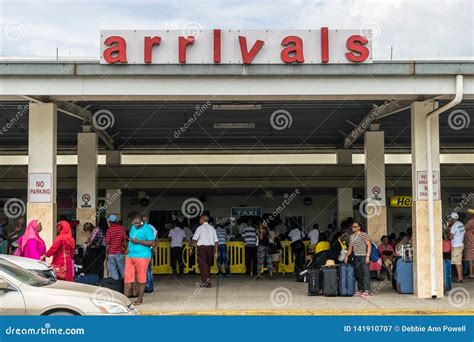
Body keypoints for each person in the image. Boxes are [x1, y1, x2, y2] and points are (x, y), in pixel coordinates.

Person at [124, 215, 156, 305]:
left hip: (142, 256)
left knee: (141, 278)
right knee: (127, 279)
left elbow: (152, 243)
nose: (136, 225)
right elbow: (131, 239)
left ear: (142, 222)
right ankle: (124, 300)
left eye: (138, 223)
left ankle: (140, 299)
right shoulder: (133, 227)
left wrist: (138, 241)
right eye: (134, 223)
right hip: (130, 255)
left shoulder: (148, 229)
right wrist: (126, 251)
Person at [190, 215, 218, 288]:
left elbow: (194, 239)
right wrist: (216, 252)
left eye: (200, 219)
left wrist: (191, 248)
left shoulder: (199, 228)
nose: (199, 220)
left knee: (203, 265)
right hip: (210, 248)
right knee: (208, 265)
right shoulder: (212, 228)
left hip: (202, 248)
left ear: (203, 219)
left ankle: (206, 283)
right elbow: (216, 242)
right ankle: (206, 281)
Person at [344, 222, 371, 297]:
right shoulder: (352, 236)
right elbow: (350, 248)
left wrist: (368, 256)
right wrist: (346, 256)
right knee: (358, 273)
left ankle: (366, 290)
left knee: (365, 273)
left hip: (363, 256)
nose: (353, 228)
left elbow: (369, 245)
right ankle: (360, 289)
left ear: (359, 227)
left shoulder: (364, 235)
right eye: (352, 227)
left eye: (355, 226)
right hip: (356, 256)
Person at [105, 214, 127, 280]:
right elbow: (125, 242)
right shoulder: (122, 229)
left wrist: (106, 252)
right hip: (120, 252)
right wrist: (125, 251)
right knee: (123, 270)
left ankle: (116, 285)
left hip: (111, 253)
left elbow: (108, 243)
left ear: (110, 222)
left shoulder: (109, 230)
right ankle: (124, 285)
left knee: (113, 270)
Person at [142, 215, 157, 293]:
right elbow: (156, 238)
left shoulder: (145, 228)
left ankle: (148, 286)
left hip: (146, 250)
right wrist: (155, 247)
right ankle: (150, 286)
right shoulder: (152, 227)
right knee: (149, 269)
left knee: (146, 269)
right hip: (150, 250)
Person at [449, 212, 465, 283]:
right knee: (459, 262)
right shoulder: (461, 224)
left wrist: (448, 232)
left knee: (457, 263)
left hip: (456, 246)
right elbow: (463, 233)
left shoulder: (454, 226)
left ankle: (460, 278)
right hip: (461, 244)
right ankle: (461, 277)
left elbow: (451, 237)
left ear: (452, 219)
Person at [464, 209, 474, 278]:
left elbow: (463, 229)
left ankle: (471, 274)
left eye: (468, 214)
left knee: (471, 259)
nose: (467, 215)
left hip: (470, 241)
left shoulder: (470, 221)